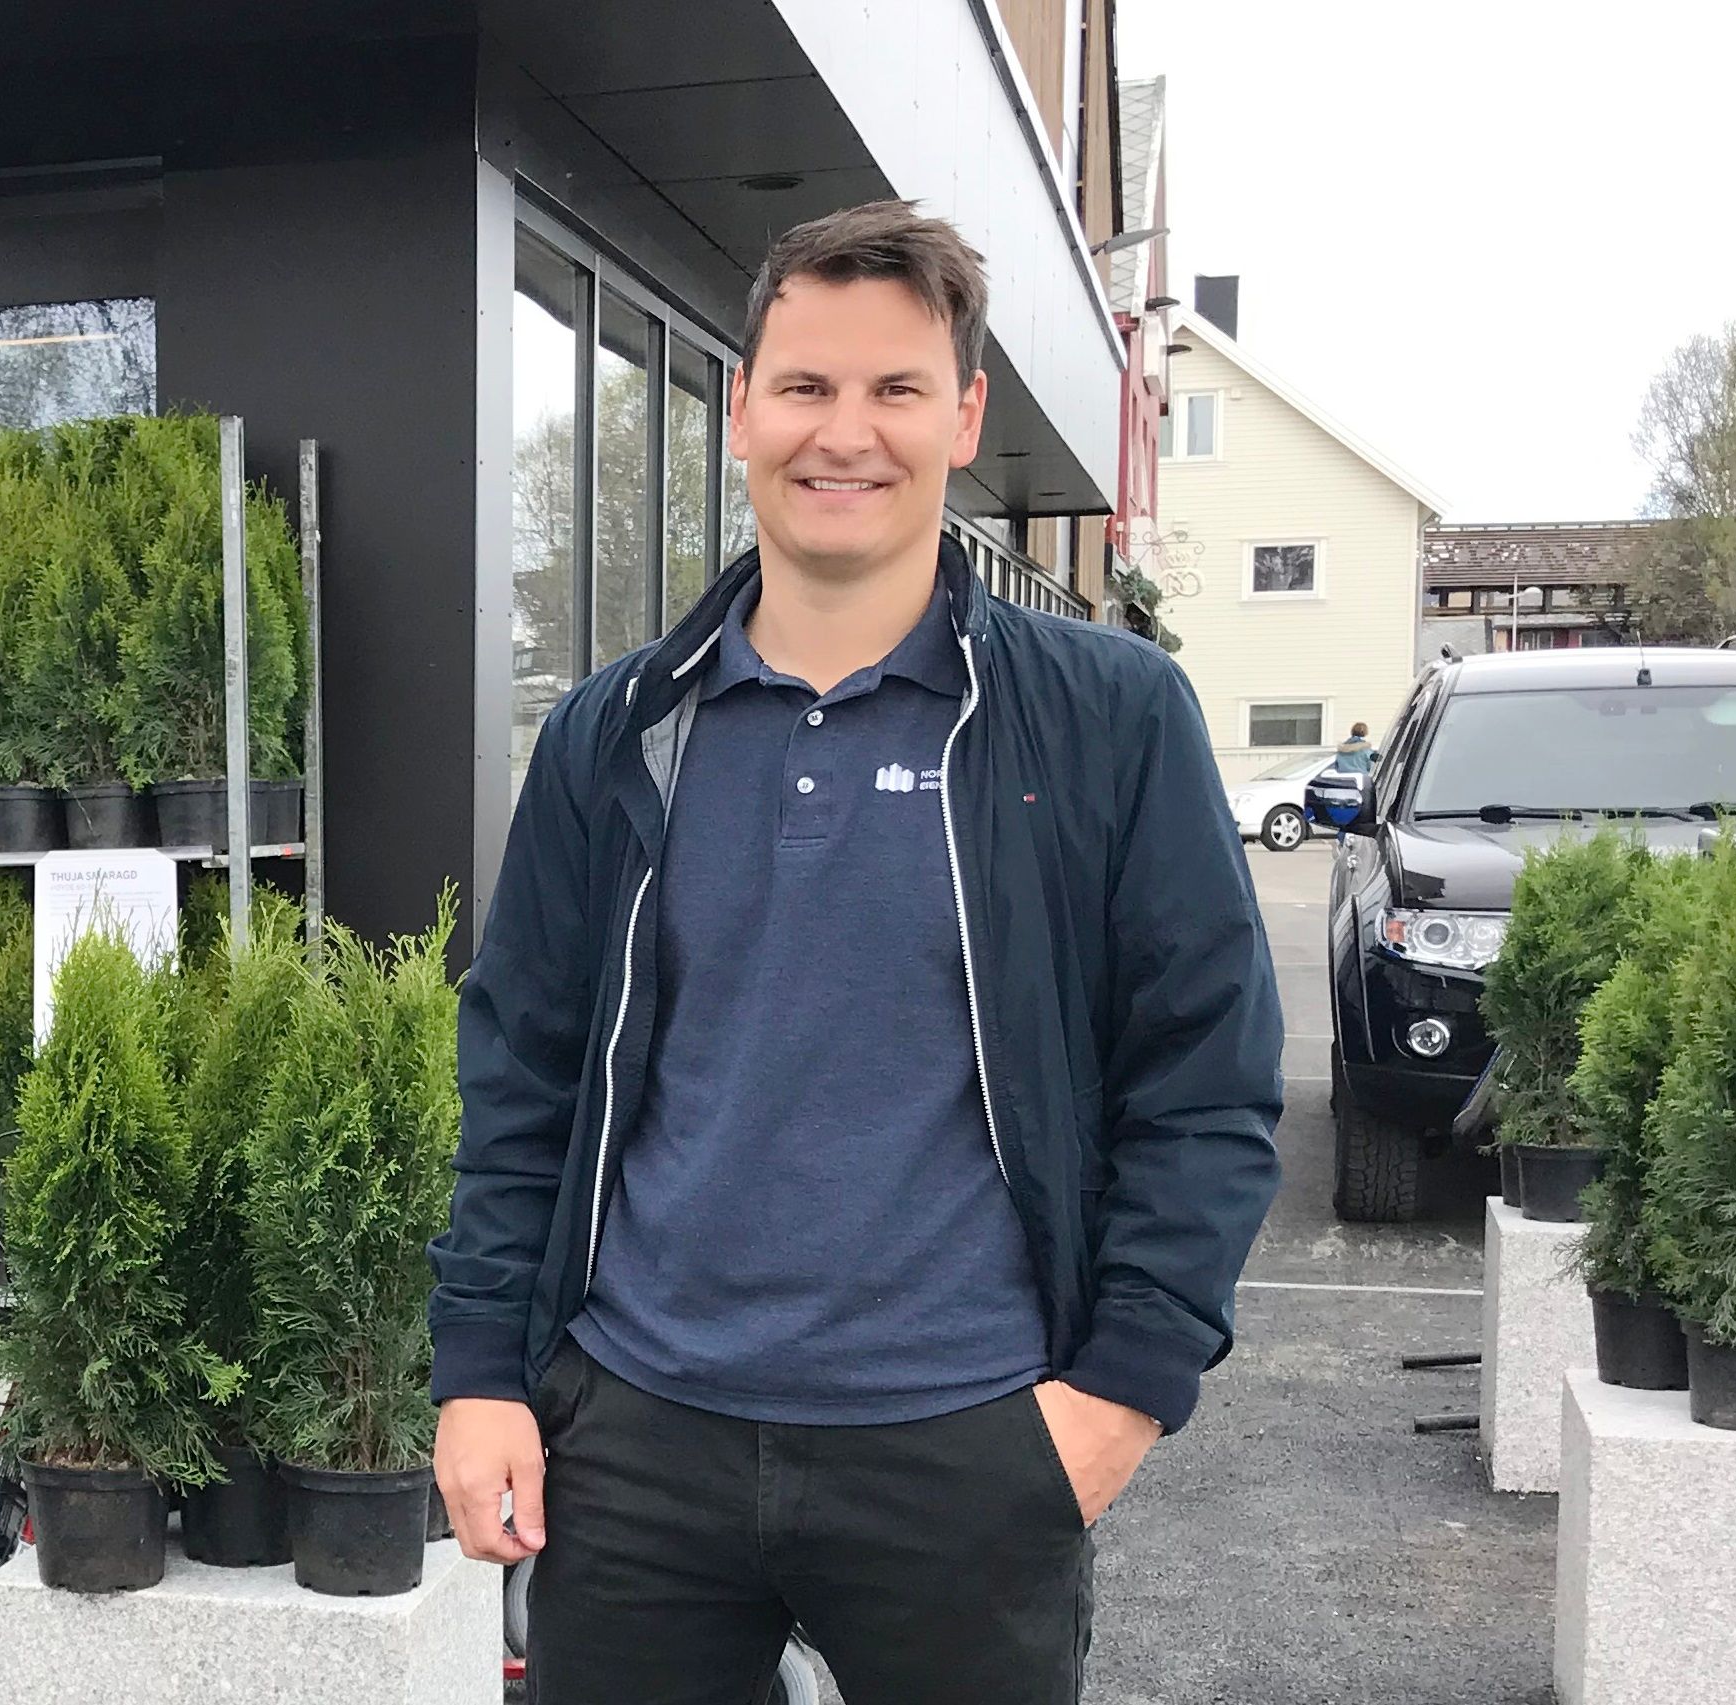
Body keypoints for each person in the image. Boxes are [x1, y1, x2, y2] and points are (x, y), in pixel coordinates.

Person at [428, 200, 1283, 1704]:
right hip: (637, 1443)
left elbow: (1203, 1079)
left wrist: (1121, 1393)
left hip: (968, 1442)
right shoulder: (614, 733)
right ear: (741, 407)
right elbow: (523, 1076)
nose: (846, 432)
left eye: (896, 388)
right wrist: (484, 1373)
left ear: (964, 416)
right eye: (806, 386)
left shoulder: (1107, 719)